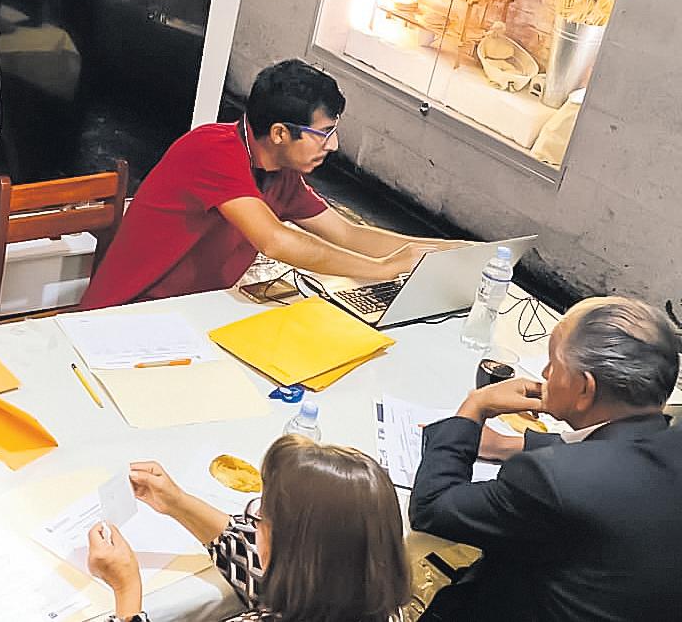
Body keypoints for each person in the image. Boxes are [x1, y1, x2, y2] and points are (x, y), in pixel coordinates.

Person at [81, 59, 459, 310]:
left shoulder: (280, 171)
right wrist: (382, 270)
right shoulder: (212, 151)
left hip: (193, 312)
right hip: (129, 312)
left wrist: (455, 252)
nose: (333, 145)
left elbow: (347, 233)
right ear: (279, 133)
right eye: (324, 133)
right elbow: (275, 240)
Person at [409, 296, 682, 621]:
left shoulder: (551, 480)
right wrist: (511, 445)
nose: (544, 373)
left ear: (585, 389)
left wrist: (475, 406)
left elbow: (432, 508)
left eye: (554, 364)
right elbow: (617, 459)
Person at [87, 435, 409, 622]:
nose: (253, 525)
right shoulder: (369, 601)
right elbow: (259, 572)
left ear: (295, 557)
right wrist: (177, 503)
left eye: (262, 515)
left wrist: (127, 591)